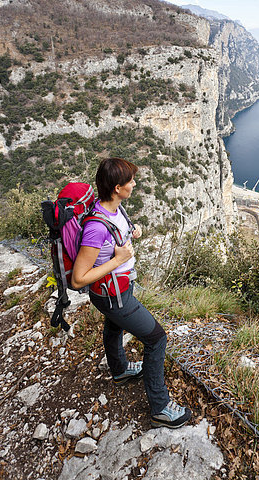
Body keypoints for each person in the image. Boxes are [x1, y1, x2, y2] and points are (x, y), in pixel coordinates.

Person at [72, 157, 191, 428]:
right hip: (112, 295)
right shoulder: (96, 227)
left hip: (119, 289)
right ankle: (160, 408)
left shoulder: (114, 210)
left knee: (114, 327)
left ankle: (121, 371)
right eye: (130, 181)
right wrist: (117, 259)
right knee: (157, 339)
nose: (135, 184)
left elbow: (115, 241)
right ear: (117, 188)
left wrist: (131, 233)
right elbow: (79, 279)